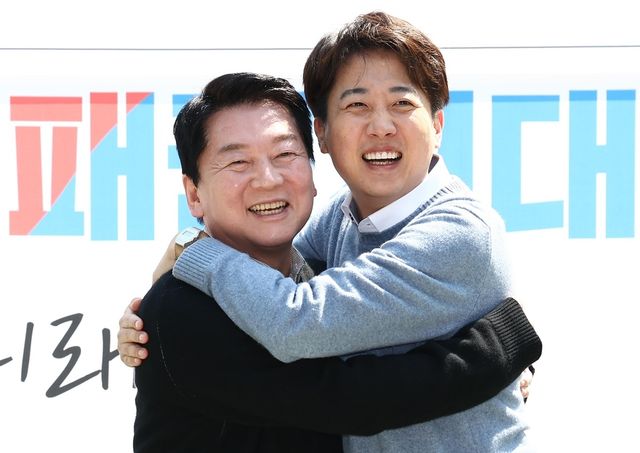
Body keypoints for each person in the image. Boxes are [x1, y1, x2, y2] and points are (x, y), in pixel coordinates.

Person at [121, 12, 541, 452]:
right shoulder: (341, 218)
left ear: (437, 125)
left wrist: (194, 253)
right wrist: (501, 347)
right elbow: (338, 385)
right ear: (322, 134)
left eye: (402, 103)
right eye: (357, 106)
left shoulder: (459, 233)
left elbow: (297, 313)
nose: (381, 126)